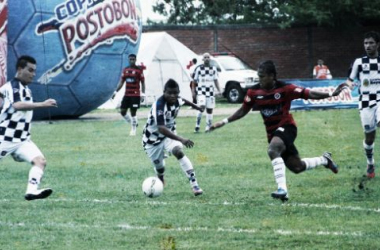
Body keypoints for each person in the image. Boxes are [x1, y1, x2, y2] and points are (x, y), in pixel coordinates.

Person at [210, 60, 347, 201]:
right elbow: (242, 111)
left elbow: (309, 93)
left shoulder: (286, 89)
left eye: (262, 76)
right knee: (297, 167)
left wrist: (331, 94)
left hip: (287, 127)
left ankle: (282, 190)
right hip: (273, 133)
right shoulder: (253, 92)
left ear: (272, 76)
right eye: (259, 76)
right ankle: (324, 160)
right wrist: (224, 121)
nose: (260, 79)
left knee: (273, 149)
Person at [0, 55, 58, 200]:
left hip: (22, 140)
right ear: (20, 69)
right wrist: (43, 104)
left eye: (34, 71)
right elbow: (17, 105)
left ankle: (32, 191)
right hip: (5, 137)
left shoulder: (21, 88)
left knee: (40, 161)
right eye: (30, 70)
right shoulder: (14, 86)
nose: (33, 74)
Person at [142, 79, 204, 196]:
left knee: (178, 152)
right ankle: (160, 176)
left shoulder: (177, 99)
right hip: (152, 140)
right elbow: (161, 128)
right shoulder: (159, 105)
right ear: (164, 92)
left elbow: (183, 101)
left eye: (175, 93)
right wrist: (182, 139)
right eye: (169, 93)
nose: (172, 96)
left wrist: (197, 107)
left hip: (168, 136)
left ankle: (194, 185)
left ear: (178, 92)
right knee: (159, 167)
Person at [346, 31, 380, 179]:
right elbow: (349, 79)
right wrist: (350, 84)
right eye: (366, 43)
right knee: (369, 137)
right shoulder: (359, 62)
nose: (368, 46)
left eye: (371, 43)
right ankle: (370, 163)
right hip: (365, 102)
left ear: (377, 44)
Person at [114, 53, 145, 136]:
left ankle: (133, 129)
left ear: (135, 60)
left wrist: (143, 94)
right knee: (123, 111)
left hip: (135, 95)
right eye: (130, 59)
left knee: (133, 112)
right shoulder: (125, 70)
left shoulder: (139, 70)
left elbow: (142, 82)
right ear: (128, 60)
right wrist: (115, 92)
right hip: (127, 94)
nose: (132, 61)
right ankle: (133, 122)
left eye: (133, 59)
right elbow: (121, 82)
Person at [193, 53, 221, 133]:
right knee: (201, 107)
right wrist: (193, 91)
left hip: (211, 92)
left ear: (210, 59)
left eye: (208, 57)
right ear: (202, 59)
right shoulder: (199, 69)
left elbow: (216, 80)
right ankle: (197, 126)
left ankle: (208, 127)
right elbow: (194, 81)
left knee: (210, 109)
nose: (206, 58)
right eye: (205, 57)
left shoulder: (213, 68)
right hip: (201, 91)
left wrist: (219, 90)